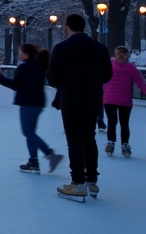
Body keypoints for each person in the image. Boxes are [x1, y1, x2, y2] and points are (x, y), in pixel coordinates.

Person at [48, 14, 113, 201]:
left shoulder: (61, 48)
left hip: (71, 99)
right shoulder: (99, 48)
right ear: (84, 27)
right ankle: (92, 179)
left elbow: (52, 78)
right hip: (93, 98)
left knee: (74, 140)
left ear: (67, 26)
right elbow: (107, 75)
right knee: (89, 138)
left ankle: (77, 183)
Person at [0, 43, 64, 174]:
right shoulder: (39, 66)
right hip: (37, 102)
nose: (19, 54)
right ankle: (33, 161)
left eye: (21, 52)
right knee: (30, 133)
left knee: (29, 133)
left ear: (26, 54)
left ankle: (50, 155)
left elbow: (16, 85)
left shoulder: (24, 67)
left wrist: (0, 77)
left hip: (28, 103)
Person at [103, 45, 146, 158]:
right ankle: (124, 145)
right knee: (124, 123)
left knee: (112, 122)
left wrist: (99, 92)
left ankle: (111, 143)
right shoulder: (131, 68)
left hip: (110, 98)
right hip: (123, 99)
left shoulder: (110, 64)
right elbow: (140, 83)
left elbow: (103, 80)